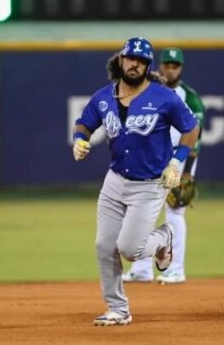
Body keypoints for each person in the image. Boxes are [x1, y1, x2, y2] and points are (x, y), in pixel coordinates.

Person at [73, 37, 200, 326]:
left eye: (142, 61)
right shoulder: (103, 97)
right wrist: (79, 139)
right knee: (105, 246)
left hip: (150, 184)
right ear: (121, 60)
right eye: (131, 58)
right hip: (114, 182)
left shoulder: (164, 96)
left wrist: (177, 160)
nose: (135, 64)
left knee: (129, 249)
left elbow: (192, 129)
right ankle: (118, 308)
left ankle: (164, 237)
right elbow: (84, 123)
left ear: (147, 66)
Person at [122, 47, 204, 284]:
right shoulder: (148, 91)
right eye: (167, 64)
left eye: (175, 65)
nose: (170, 69)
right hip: (151, 158)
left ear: (181, 68)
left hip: (178, 158)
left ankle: (175, 269)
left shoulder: (189, 97)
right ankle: (142, 269)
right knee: (141, 212)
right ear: (159, 66)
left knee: (174, 211)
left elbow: (195, 137)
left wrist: (186, 171)